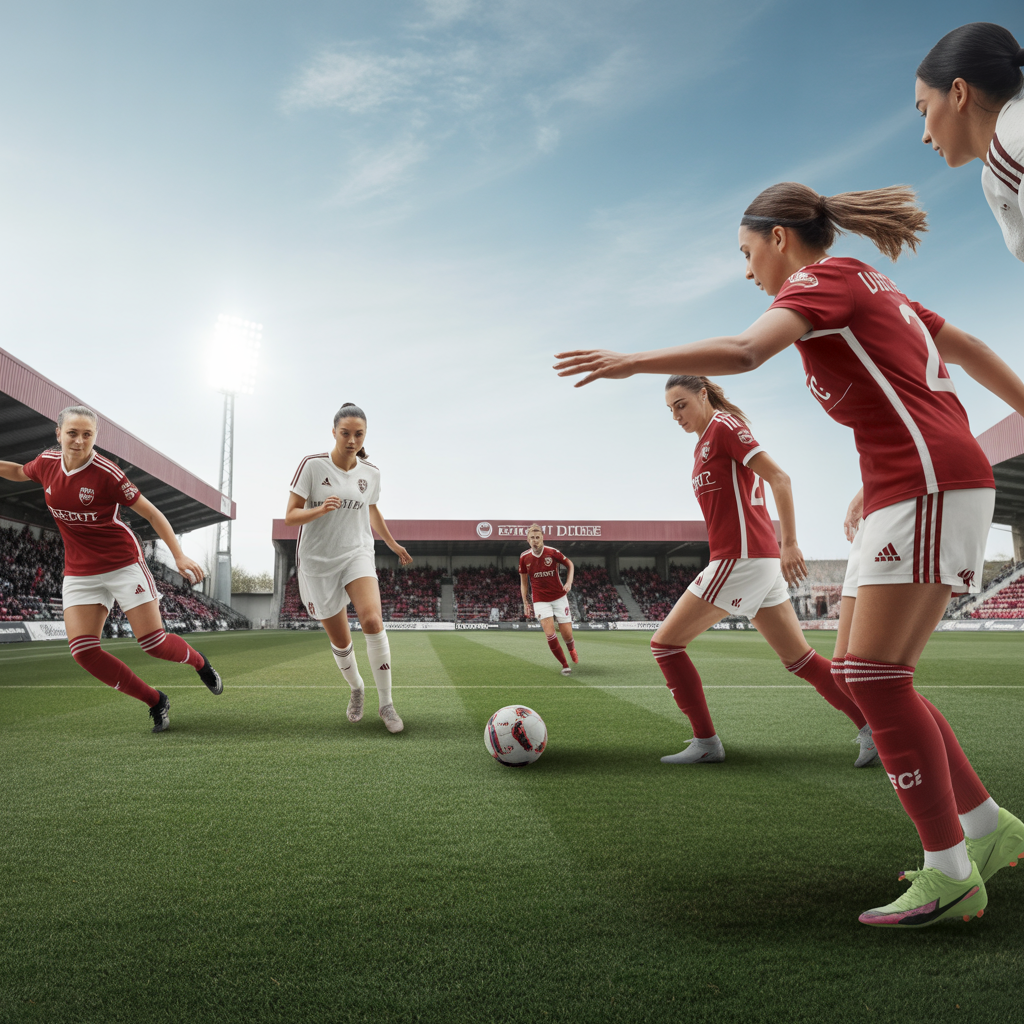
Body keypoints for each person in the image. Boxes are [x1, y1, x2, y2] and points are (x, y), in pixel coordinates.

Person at [553, 181, 1024, 928]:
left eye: (746, 253)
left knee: (873, 674)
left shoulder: (823, 279)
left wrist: (631, 360)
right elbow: (960, 349)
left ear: (779, 238)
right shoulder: (871, 284)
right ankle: (984, 826)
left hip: (930, 481)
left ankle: (952, 874)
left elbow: (744, 351)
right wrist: (873, 489)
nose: (747, 272)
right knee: (867, 675)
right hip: (906, 486)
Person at [652, 375, 874, 766]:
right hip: (752, 560)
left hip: (741, 558)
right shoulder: (703, 444)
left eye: (681, 404)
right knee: (801, 661)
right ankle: (874, 730)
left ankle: (706, 743)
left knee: (666, 645)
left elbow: (780, 478)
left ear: (703, 394)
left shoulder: (724, 427)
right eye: (670, 409)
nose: (676, 415)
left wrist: (789, 542)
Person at [0, 405, 223, 733]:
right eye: (72, 433)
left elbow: (151, 513)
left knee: (154, 644)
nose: (79, 441)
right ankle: (155, 700)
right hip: (79, 571)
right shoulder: (47, 463)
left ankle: (200, 662)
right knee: (84, 652)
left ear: (95, 438)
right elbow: (20, 472)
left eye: (87, 435)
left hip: (123, 564)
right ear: (58, 433)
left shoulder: (107, 473)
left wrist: (178, 556)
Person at [285, 402, 411, 733]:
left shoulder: (371, 473)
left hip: (357, 553)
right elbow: (290, 516)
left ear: (364, 435)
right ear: (334, 433)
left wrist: (392, 543)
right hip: (317, 561)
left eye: (358, 434)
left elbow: (372, 511)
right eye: (345, 433)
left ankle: (386, 704)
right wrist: (320, 510)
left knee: (372, 619)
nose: (352, 440)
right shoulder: (312, 466)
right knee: (341, 642)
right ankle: (357, 688)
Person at [915, 22, 1024, 261]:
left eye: (925, 111)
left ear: (959, 94)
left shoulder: (1016, 150)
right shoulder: (996, 167)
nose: (924, 137)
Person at [519, 524, 578, 675]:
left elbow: (570, 564)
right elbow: (524, 582)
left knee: (567, 634)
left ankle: (571, 649)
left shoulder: (553, 553)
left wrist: (569, 582)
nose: (535, 540)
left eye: (538, 537)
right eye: (532, 538)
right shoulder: (524, 557)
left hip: (559, 597)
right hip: (540, 600)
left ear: (543, 538)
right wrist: (526, 602)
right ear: (527, 540)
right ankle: (565, 665)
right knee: (550, 633)